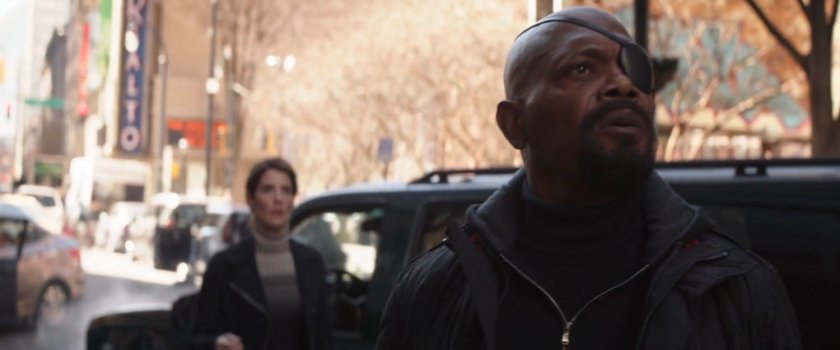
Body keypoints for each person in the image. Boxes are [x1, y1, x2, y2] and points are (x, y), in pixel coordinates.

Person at [375, 6, 801, 350]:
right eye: (581, 69)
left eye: (635, 70)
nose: (624, 85)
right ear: (514, 123)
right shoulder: (436, 289)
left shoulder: (736, 288)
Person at [192, 158, 332, 350]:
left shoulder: (311, 262)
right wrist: (217, 344)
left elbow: (323, 336)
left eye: (286, 190)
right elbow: (197, 338)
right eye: (268, 189)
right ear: (251, 198)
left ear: (293, 200)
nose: (278, 199)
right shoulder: (225, 265)